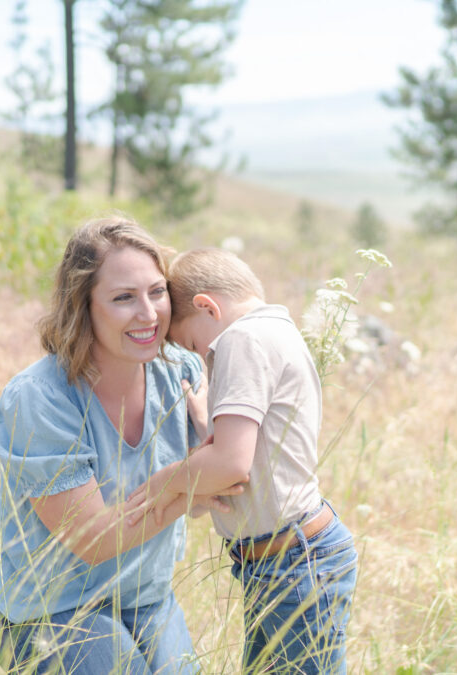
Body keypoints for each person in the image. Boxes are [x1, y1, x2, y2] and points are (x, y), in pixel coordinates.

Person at [0, 216, 243, 674]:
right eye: (123, 298)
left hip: (141, 593)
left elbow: (231, 480)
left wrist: (210, 441)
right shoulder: (41, 398)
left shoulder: (183, 371)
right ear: (83, 306)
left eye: (157, 292)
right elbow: (92, 539)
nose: (149, 314)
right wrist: (188, 487)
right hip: (46, 603)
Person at [127, 247, 358, 674]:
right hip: (283, 561)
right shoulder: (274, 331)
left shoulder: (242, 338)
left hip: (293, 564)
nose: (200, 356)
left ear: (207, 306)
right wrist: (209, 418)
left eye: (194, 345)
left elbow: (233, 464)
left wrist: (166, 482)